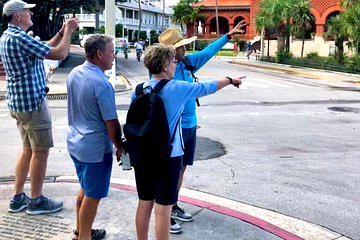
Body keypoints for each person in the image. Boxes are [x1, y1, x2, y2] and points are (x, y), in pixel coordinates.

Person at [134, 44, 244, 240]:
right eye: (173, 61)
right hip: (169, 155)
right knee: (163, 208)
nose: (176, 65)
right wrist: (229, 80)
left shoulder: (139, 90)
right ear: (165, 65)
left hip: (143, 155)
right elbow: (208, 87)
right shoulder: (177, 88)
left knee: (144, 203)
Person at [158, 20, 247, 233]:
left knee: (182, 169)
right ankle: (165, 211)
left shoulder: (188, 63)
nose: (185, 49)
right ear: (171, 52)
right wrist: (227, 80)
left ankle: (173, 204)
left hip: (190, 125)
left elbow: (207, 53)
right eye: (181, 46)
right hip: (175, 128)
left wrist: (228, 36)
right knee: (172, 171)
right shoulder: (166, 71)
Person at [0, 0, 79, 215]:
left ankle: (18, 198)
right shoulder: (19, 38)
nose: (30, 14)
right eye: (27, 11)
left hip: (19, 103)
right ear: (17, 16)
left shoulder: (10, 36)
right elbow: (60, 54)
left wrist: (61, 32)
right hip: (33, 104)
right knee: (40, 151)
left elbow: (44, 48)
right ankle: (36, 200)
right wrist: (70, 32)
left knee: (27, 149)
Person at [66, 34, 124, 240]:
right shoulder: (102, 83)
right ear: (99, 53)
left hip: (76, 143)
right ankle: (84, 238)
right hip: (95, 149)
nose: (114, 56)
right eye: (111, 51)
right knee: (93, 195)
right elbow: (112, 122)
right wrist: (120, 146)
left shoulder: (75, 72)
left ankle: (81, 232)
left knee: (85, 189)